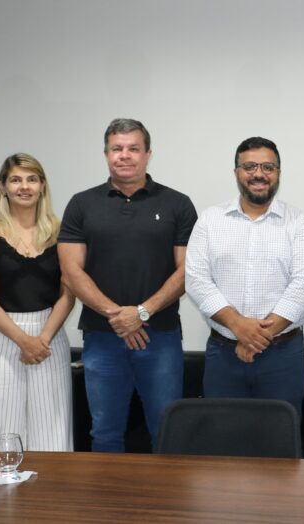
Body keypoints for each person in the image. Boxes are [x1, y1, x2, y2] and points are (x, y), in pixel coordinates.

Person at [58, 118, 198, 452]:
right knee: (104, 432)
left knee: (166, 430)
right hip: (102, 337)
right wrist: (119, 316)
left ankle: (165, 491)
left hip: (160, 335)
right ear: (106, 154)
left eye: (133, 148)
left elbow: (187, 270)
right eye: (117, 148)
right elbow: (71, 271)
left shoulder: (177, 204)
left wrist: (142, 313)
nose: (125, 155)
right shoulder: (81, 204)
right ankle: (109, 491)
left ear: (148, 153)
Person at [185, 137, 304, 410]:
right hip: (223, 354)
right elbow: (197, 280)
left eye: (268, 167)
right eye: (249, 167)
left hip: (282, 356)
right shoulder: (210, 220)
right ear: (236, 172)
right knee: (222, 432)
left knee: (280, 434)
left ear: (278, 173)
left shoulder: (298, 223)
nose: (259, 174)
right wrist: (238, 325)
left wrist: (255, 338)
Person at [0, 153, 74, 451]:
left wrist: (42, 339)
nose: (24, 187)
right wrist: (23, 340)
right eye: (15, 180)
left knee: (53, 431)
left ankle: (52, 485)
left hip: (49, 337)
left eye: (32, 179)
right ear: (2, 186)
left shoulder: (62, 233)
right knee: (4, 429)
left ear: (42, 186)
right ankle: (5, 483)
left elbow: (69, 292)